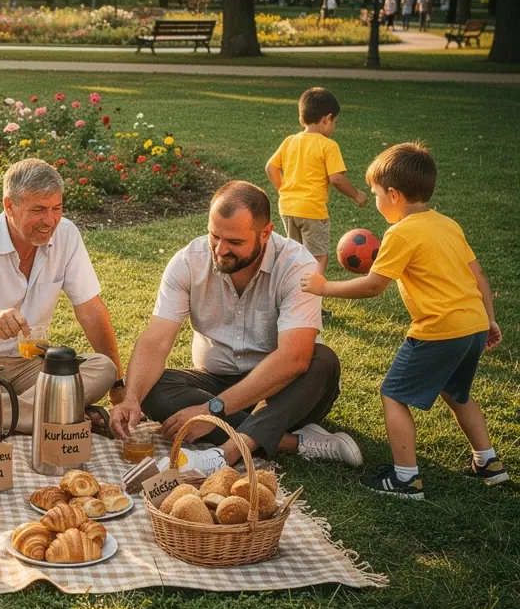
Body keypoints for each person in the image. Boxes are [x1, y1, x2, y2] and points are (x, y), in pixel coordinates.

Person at [110, 181, 362, 474]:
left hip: (281, 391)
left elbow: (294, 358)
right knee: (155, 388)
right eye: (214, 236)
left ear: (266, 233)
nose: (220, 249)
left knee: (321, 360)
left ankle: (225, 454)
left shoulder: (296, 266)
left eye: (235, 242)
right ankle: (289, 442)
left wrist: (211, 411)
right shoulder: (188, 262)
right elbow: (156, 340)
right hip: (216, 380)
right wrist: (132, 397)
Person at [301, 143, 507, 498]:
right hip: (472, 324)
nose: (376, 199)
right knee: (457, 392)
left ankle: (406, 478)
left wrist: (324, 287)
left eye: (376, 193)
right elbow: (479, 276)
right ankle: (488, 463)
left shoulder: (401, 232)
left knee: (393, 394)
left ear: (393, 195)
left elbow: (373, 286)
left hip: (439, 329)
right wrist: (489, 320)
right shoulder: (447, 224)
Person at [0, 158, 123, 440]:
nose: (50, 220)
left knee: (102, 369)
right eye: (38, 209)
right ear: (9, 206)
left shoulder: (67, 235)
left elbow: (91, 309)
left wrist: (119, 383)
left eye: (57, 208)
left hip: (31, 365)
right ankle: (60, 412)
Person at [265, 87, 368, 280]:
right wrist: (357, 195)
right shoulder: (328, 145)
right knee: (318, 258)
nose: (333, 127)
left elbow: (271, 167)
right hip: (312, 210)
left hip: (288, 208)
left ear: (302, 119)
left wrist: (284, 191)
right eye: (334, 122)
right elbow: (336, 179)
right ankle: (313, 302)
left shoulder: (290, 141)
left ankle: (294, 295)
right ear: (327, 119)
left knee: (295, 255)